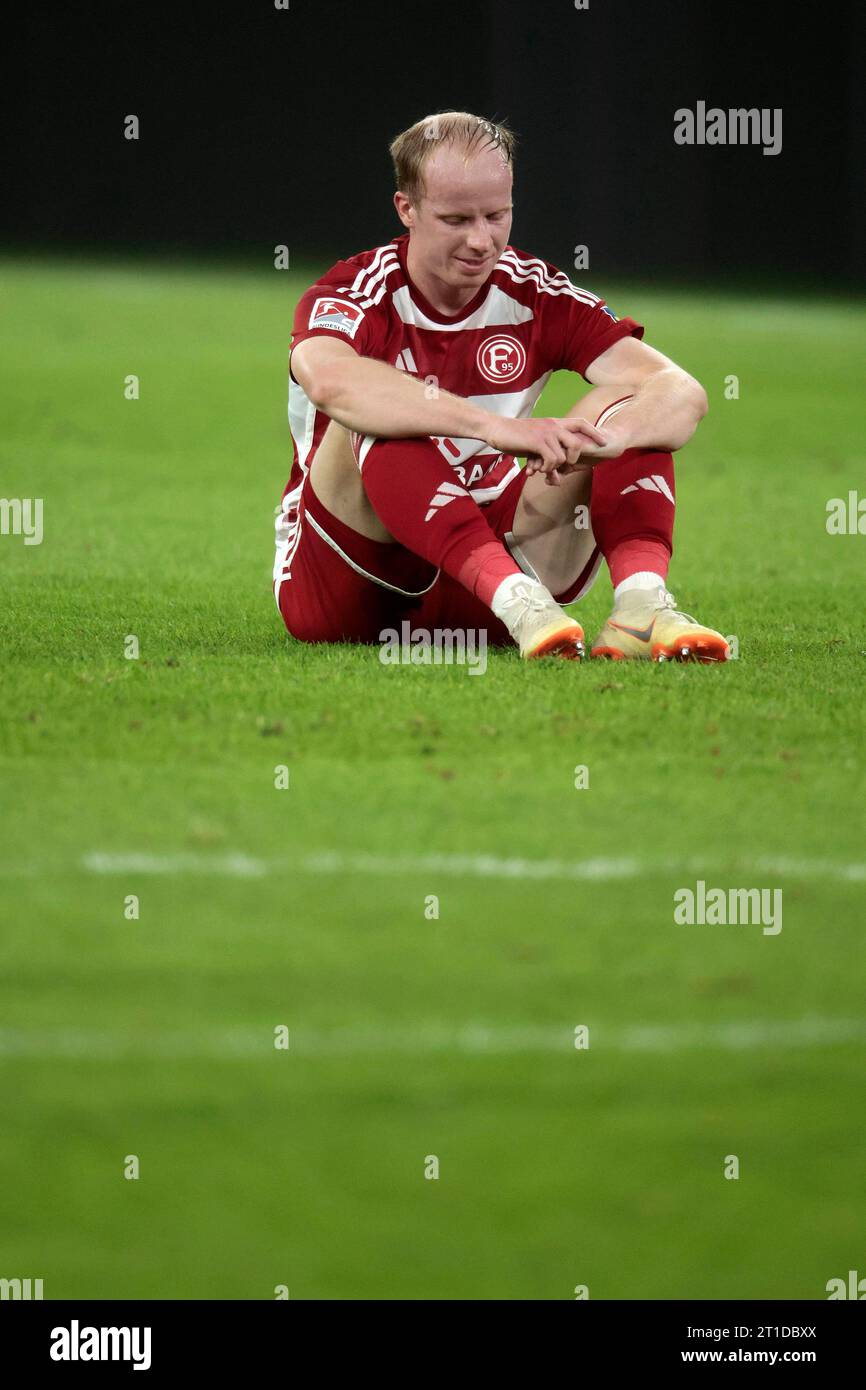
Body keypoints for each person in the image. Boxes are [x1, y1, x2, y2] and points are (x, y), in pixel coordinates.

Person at [274, 111, 729, 662]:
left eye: (497, 215)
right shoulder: (354, 290)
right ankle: (517, 602)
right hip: (352, 583)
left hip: (494, 572)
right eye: (456, 219)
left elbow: (681, 391)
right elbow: (331, 381)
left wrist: (610, 441)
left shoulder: (537, 293)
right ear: (406, 209)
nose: (480, 240)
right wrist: (495, 428)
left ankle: (641, 608)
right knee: (373, 415)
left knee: (633, 407)